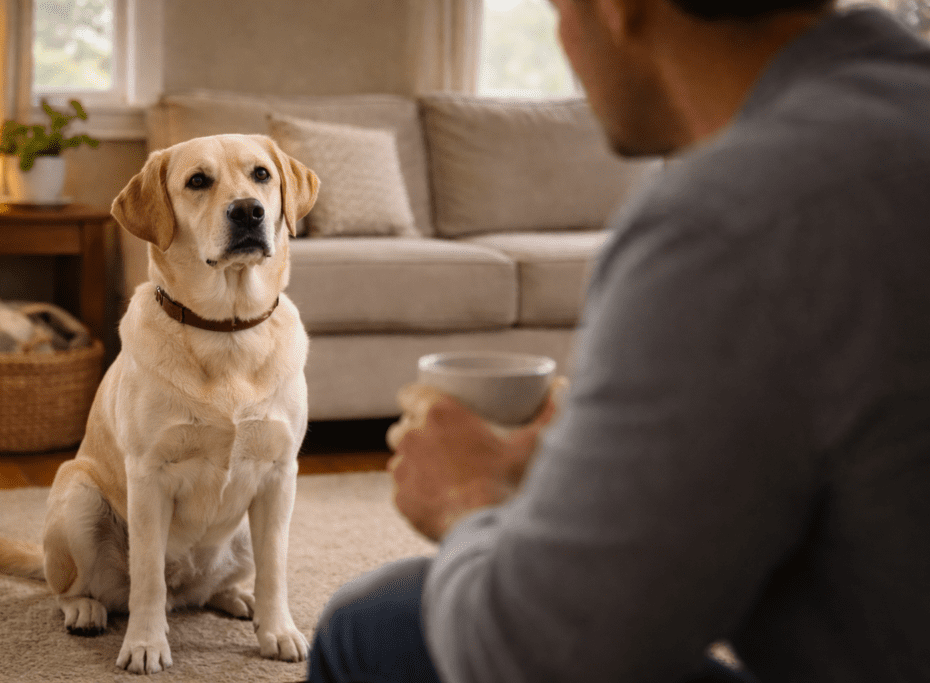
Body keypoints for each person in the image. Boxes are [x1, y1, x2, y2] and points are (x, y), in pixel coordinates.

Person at [308, 0, 930, 681]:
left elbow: (541, 655)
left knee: (370, 625)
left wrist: (470, 498)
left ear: (617, 8)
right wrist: (601, 479)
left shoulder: (730, 217)